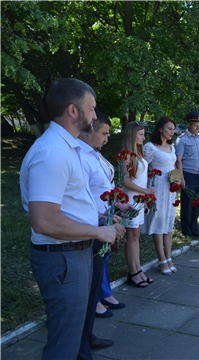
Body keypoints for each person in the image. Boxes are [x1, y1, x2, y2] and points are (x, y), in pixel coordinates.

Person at [20, 78, 124, 359]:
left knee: (74, 337)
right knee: (64, 344)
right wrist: (97, 231)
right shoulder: (53, 152)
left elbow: (73, 202)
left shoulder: (68, 148)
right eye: (91, 109)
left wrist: (103, 222)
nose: (94, 115)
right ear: (73, 111)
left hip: (71, 254)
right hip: (62, 257)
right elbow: (44, 221)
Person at [77, 111, 125, 348]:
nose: (107, 138)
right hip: (89, 225)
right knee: (87, 282)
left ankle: (87, 335)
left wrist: (115, 206)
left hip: (102, 221)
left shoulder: (94, 155)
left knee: (97, 274)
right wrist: (100, 217)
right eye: (104, 133)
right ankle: (82, 338)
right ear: (90, 131)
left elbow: (103, 187)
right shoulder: (79, 157)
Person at [145, 117, 179, 275]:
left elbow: (173, 166)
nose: (172, 132)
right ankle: (161, 259)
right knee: (158, 223)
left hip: (170, 189)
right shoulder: (150, 147)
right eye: (169, 129)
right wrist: (147, 189)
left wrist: (177, 178)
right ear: (160, 129)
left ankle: (169, 257)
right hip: (157, 188)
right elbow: (142, 169)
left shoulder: (172, 147)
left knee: (168, 224)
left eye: (173, 129)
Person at [123, 121, 156, 283]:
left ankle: (137, 269)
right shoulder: (126, 155)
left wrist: (147, 195)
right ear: (132, 135)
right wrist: (145, 192)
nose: (144, 137)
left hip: (140, 200)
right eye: (141, 134)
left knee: (136, 236)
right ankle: (133, 272)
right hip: (130, 200)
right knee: (131, 236)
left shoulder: (139, 154)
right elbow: (125, 181)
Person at [175, 109, 199, 239]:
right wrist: (181, 178)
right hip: (188, 174)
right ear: (189, 124)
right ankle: (186, 229)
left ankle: (194, 228)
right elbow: (178, 160)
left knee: (197, 203)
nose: (198, 128)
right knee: (188, 203)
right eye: (195, 125)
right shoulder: (181, 140)